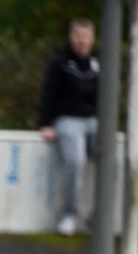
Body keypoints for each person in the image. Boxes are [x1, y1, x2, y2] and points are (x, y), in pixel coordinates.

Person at [39, 18, 99, 237]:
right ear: (71, 37)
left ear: (92, 39)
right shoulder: (60, 61)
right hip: (68, 119)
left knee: (111, 161)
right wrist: (46, 123)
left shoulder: (98, 62)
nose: (82, 40)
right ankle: (69, 214)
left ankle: (98, 215)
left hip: (94, 120)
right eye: (78, 35)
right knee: (75, 161)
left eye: (86, 36)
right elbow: (49, 92)